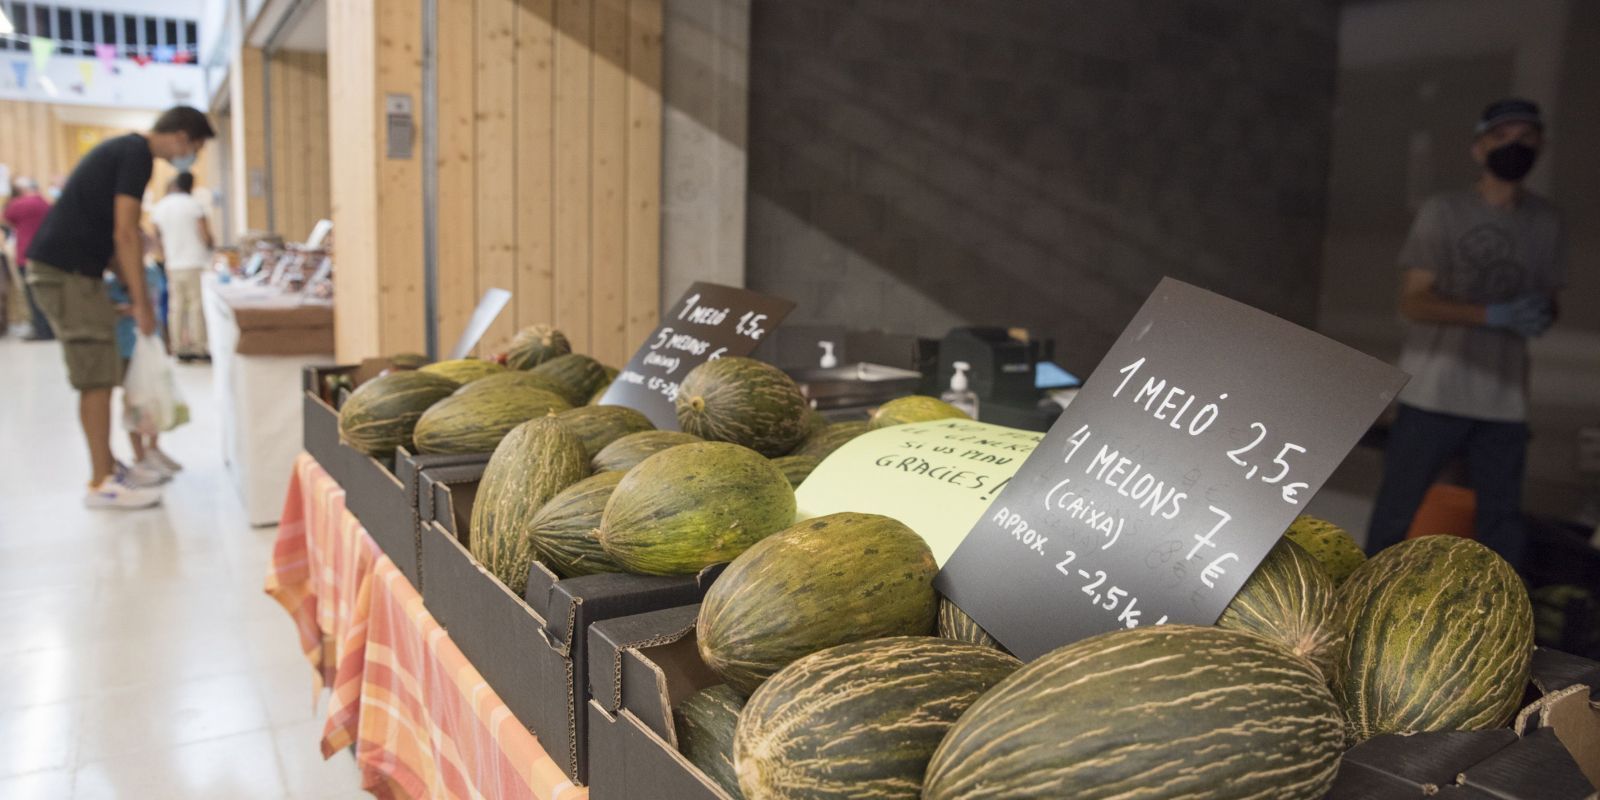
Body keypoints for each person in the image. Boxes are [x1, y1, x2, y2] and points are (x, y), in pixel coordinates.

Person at [1366, 98, 1565, 569]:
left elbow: (1549, 302)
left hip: (1504, 399)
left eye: (1526, 139)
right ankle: (1362, 598)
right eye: (1502, 137)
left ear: (1540, 146)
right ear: (1480, 148)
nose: (1514, 147)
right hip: (1433, 394)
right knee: (1397, 510)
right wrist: (1491, 314)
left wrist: (1539, 313)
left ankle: (1498, 621)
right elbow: (1413, 301)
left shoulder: (1546, 221)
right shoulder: (1444, 212)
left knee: (1501, 523)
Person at [25, 105, 214, 509]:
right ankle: (101, 481)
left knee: (104, 368)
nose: (191, 155)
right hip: (67, 273)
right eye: (195, 147)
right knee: (94, 375)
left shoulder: (124, 151)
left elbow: (112, 237)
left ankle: (109, 466)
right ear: (182, 137)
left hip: (77, 272)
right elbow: (125, 232)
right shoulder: (136, 155)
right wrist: (143, 304)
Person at [107, 264, 180, 482]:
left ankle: (153, 448)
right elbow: (106, 308)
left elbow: (158, 307)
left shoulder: (152, 272)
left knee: (157, 398)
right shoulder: (111, 281)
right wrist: (126, 310)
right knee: (135, 403)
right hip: (127, 348)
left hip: (151, 346)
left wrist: (165, 339)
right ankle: (139, 456)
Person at [150, 172, 212, 359]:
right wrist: (211, 245)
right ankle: (199, 347)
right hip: (195, 261)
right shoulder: (193, 205)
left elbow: (156, 236)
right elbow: (204, 232)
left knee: (175, 305)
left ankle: (178, 347)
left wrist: (164, 254)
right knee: (196, 305)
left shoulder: (160, 207)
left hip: (173, 263)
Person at [4, 177, 55, 340]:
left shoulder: (18, 204)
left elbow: (6, 218)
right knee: (46, 295)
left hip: (25, 254)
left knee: (32, 296)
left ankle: (41, 330)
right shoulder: (44, 203)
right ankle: (50, 329)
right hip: (45, 254)